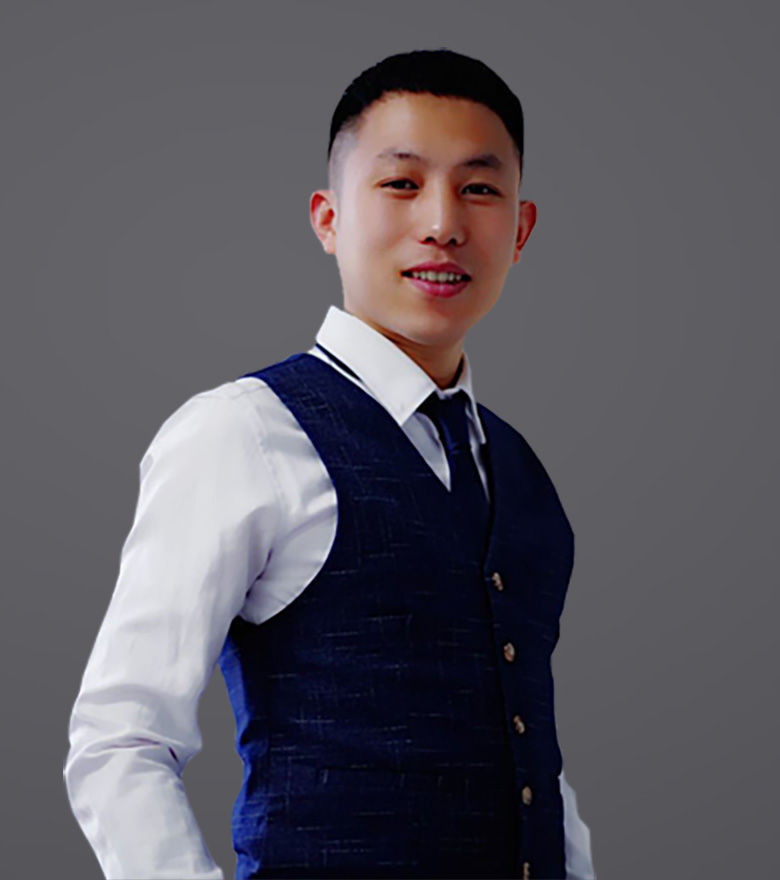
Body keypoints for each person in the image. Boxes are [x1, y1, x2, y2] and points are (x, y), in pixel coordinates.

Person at [64, 48, 596, 880]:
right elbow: (121, 739)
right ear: (327, 218)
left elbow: (534, 762)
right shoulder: (243, 433)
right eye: (401, 183)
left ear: (521, 230)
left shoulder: (520, 468)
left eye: (479, 189)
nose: (442, 223)